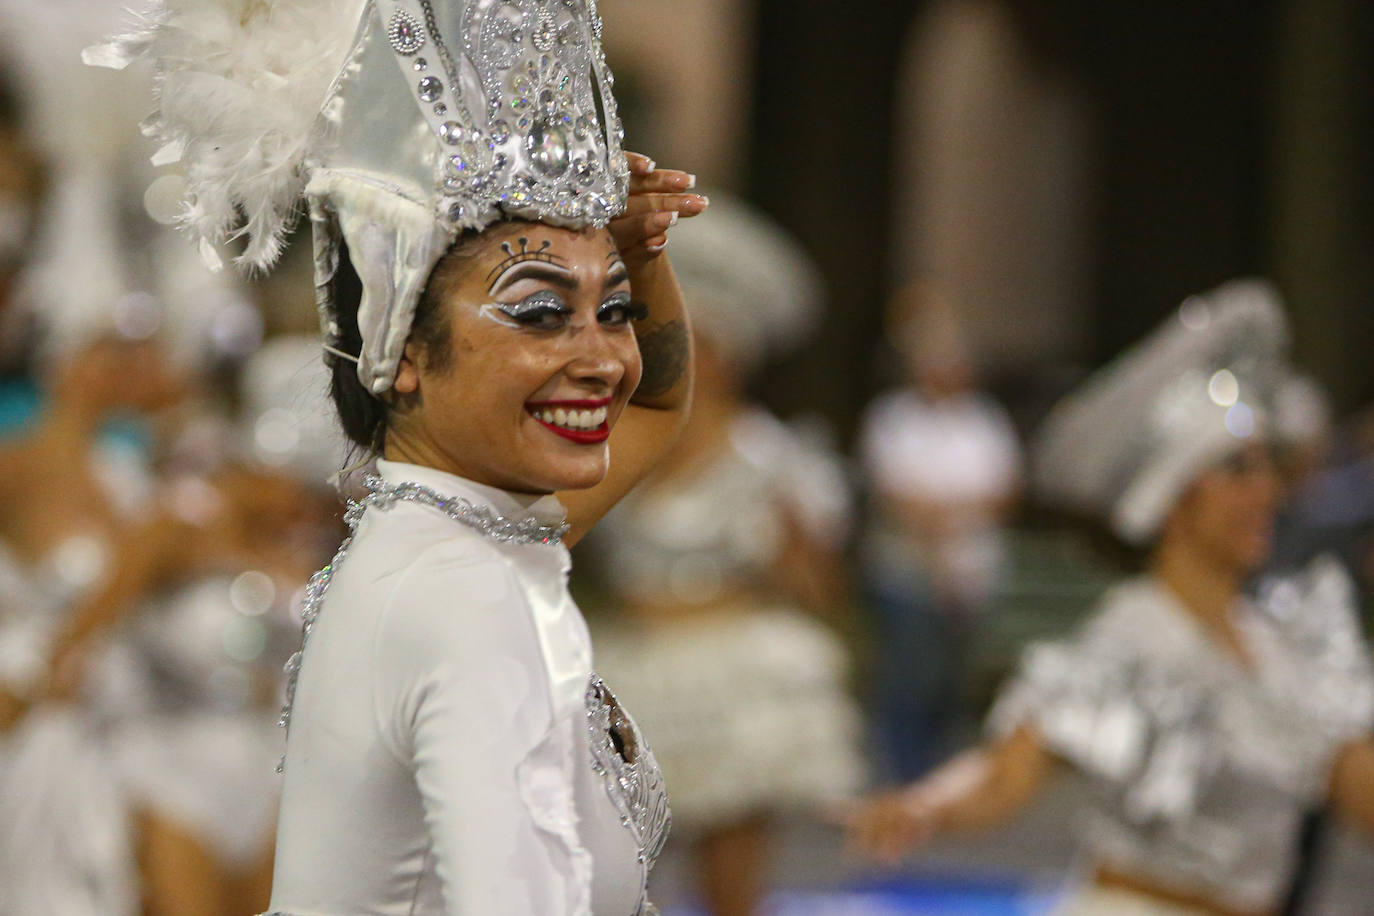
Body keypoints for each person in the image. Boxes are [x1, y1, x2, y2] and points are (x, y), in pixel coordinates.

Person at [92, 0, 705, 912]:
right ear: (400, 349)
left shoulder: (451, 536)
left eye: (609, 313)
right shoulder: (470, 589)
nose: (604, 358)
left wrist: (639, 262)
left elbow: (653, 396)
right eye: (540, 312)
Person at [847, 279, 1374, 916]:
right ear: (1174, 498)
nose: (1263, 492)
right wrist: (925, 805)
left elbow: (1357, 786)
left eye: (1267, 468)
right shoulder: (1132, 635)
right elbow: (1009, 770)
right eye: (1236, 470)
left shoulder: (1288, 644)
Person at [584, 194, 865, 916]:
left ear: (728, 355)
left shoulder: (772, 461)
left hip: (732, 679)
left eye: (691, 343)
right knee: (611, 879)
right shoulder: (613, 443)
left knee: (730, 891)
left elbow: (821, 590)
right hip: (630, 668)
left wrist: (796, 544)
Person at [857, 281, 1022, 778]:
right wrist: (961, 510)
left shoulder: (983, 420)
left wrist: (946, 511)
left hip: (972, 578)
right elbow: (901, 502)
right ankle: (901, 780)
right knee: (908, 684)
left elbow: (1006, 494)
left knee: (950, 689)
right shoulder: (892, 419)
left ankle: (936, 780)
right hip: (909, 578)